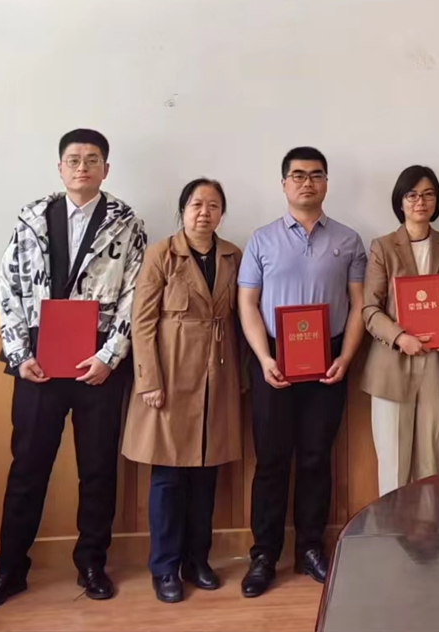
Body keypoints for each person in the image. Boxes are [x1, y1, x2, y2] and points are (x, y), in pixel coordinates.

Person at [0, 129, 146, 614]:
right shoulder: (30, 218)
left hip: (98, 365)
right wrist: (17, 353)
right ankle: (10, 568)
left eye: (92, 160)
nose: (82, 167)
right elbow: (8, 285)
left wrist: (110, 356)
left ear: (106, 169)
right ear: (60, 167)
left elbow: (135, 293)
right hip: (38, 363)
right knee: (27, 468)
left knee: (98, 469)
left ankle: (92, 563)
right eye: (73, 160)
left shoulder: (126, 222)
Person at [237, 147, 367, 597]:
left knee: (315, 457)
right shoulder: (261, 239)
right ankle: (263, 554)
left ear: (326, 182)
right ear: (284, 184)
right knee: (271, 460)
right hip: (275, 358)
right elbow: (247, 303)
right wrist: (263, 357)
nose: (307, 182)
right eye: (297, 175)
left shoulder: (349, 240)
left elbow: (358, 304)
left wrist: (345, 357)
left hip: (328, 358)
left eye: (315, 175)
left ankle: (310, 547)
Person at [122, 179, 244, 603]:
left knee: (206, 475)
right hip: (171, 380)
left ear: (221, 214)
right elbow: (142, 322)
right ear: (182, 210)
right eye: (196, 204)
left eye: (213, 205)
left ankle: (197, 561)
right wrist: (149, 380)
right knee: (169, 477)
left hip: (218, 378)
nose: (204, 213)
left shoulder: (232, 256)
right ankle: (164, 568)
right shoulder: (161, 254)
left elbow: (241, 317)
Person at [362, 165, 439, 496]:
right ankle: (392, 528)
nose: (420, 202)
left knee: (430, 464)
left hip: (438, 365)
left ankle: (427, 529)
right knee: (394, 465)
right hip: (392, 365)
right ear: (400, 201)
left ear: (437, 201)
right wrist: (400, 337)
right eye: (412, 195)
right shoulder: (383, 246)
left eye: (428, 195)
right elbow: (370, 309)